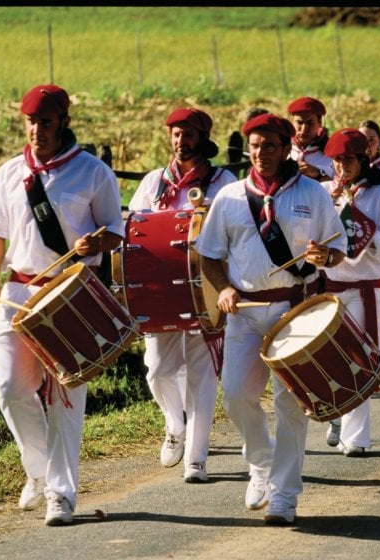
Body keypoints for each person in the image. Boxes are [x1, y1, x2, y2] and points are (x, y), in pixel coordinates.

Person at [0, 84, 125, 526]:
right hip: (18, 292)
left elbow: (115, 229)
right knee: (10, 387)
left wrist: (96, 241)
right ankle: (38, 472)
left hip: (71, 293)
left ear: (63, 122)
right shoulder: (8, 173)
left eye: (44, 121)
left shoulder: (93, 172)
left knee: (64, 396)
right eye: (30, 122)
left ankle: (61, 494)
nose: (36, 130)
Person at [196, 113, 347, 525]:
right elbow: (207, 255)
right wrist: (223, 288)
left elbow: (339, 249)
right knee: (236, 396)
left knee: (291, 405)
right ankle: (260, 464)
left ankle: (285, 494)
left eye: (270, 146)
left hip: (295, 309)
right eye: (255, 146)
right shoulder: (228, 197)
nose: (261, 154)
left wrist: (324, 256)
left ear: (286, 149)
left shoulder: (313, 193)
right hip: (243, 312)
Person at [126, 107, 237, 483]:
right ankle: (176, 423)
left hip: (204, 289)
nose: (180, 140)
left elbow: (235, 229)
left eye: (187, 134)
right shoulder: (154, 181)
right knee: (157, 370)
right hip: (162, 292)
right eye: (174, 133)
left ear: (203, 138)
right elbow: (135, 229)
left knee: (202, 377)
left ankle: (197, 457)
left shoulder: (222, 181)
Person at [319, 128, 380, 457]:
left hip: (364, 286)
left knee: (361, 357)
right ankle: (338, 414)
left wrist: (360, 226)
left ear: (363, 160)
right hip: (332, 287)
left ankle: (358, 436)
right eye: (337, 160)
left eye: (348, 160)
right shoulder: (324, 191)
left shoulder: (379, 194)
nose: (341, 166)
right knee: (331, 356)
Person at [287, 96, 334, 181]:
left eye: (310, 123)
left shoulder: (332, 153)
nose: (304, 129)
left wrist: (318, 174)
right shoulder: (282, 149)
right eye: (299, 122)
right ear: (292, 122)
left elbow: (342, 184)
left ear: (319, 123)